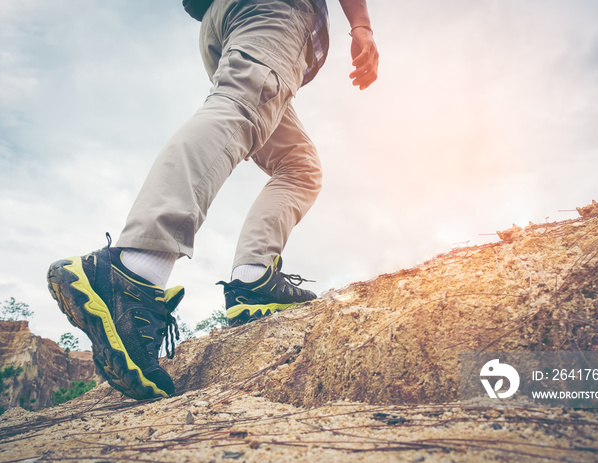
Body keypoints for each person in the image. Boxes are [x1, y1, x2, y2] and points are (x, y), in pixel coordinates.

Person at [47, 0, 379, 400]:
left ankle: (252, 280)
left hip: (223, 22)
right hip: (275, 10)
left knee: (299, 168)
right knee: (239, 106)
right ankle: (133, 273)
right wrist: (361, 26)